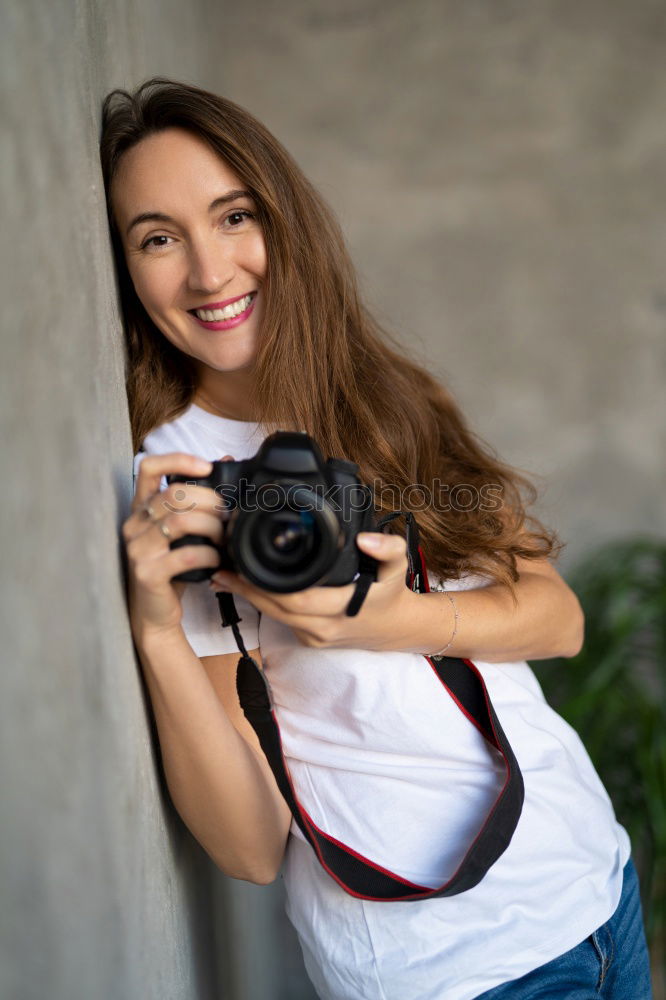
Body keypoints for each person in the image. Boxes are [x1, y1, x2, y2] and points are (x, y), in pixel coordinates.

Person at [101, 78, 652, 999]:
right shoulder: (175, 484)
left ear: (285, 222)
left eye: (234, 216)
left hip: (596, 886)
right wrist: (158, 630)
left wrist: (385, 619)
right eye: (159, 238)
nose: (208, 271)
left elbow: (557, 619)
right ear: (126, 271)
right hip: (450, 970)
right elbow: (249, 848)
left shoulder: (386, 397)